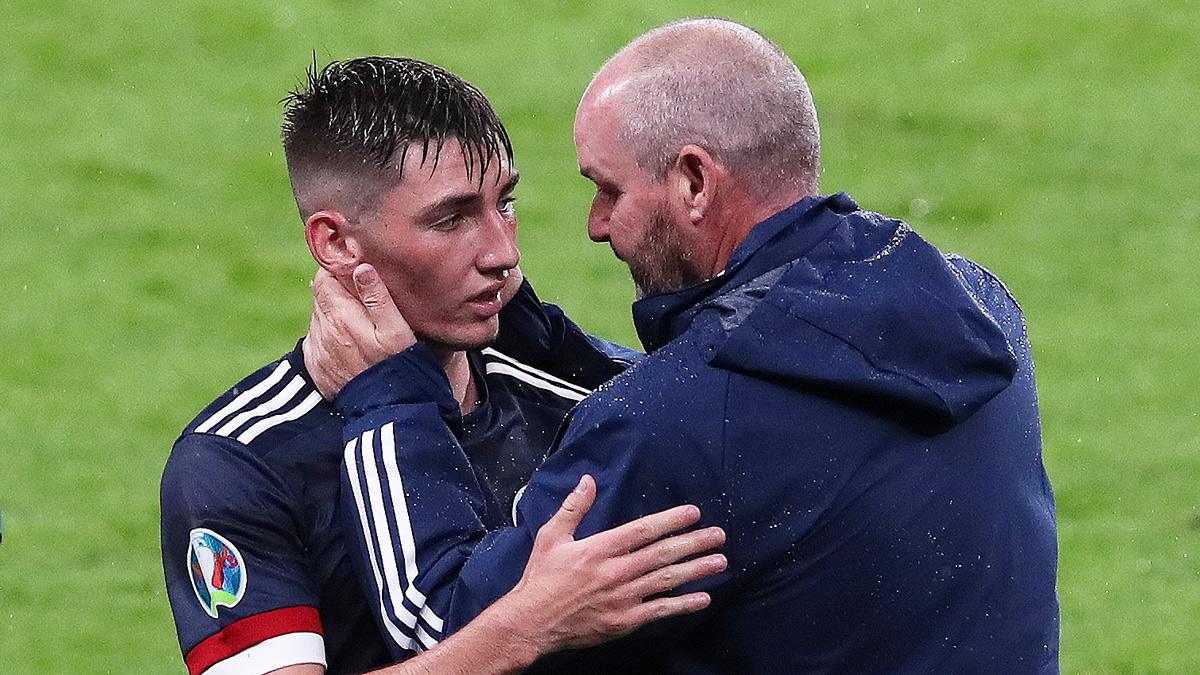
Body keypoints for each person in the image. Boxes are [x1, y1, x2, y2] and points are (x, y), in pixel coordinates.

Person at [314, 17, 1061, 673]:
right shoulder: (979, 305)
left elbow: (444, 621)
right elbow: (761, 394)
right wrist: (535, 332)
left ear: (695, 182)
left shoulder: (679, 430)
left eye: (607, 189)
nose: (595, 224)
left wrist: (391, 390)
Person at [160, 56, 726, 675]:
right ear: (337, 243)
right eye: (451, 218)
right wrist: (527, 627)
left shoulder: (579, 390)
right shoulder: (239, 462)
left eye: (505, 203)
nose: (502, 253)